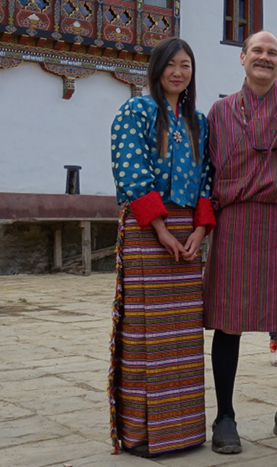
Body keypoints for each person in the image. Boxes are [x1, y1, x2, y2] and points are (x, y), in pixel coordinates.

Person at [202, 30, 277, 454]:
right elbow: (206, 171)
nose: (265, 58)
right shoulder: (219, 111)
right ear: (243, 59)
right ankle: (225, 416)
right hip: (237, 223)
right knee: (229, 321)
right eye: (257, 51)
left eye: (272, 53)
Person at [108, 37, 215, 457]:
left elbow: (208, 179)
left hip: (188, 233)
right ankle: (144, 435)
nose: (178, 72)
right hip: (146, 229)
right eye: (170, 64)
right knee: (146, 332)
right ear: (156, 69)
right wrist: (161, 230)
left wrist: (199, 232)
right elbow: (131, 170)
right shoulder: (135, 111)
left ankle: (184, 432)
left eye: (186, 64)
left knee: (183, 336)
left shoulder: (199, 122)